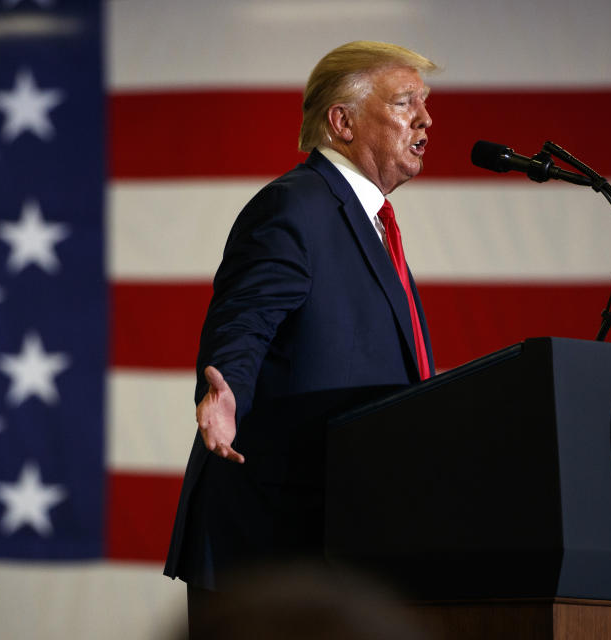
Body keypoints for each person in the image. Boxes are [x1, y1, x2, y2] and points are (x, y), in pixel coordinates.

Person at [163, 40, 438, 630]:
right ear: (341, 121)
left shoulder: (371, 227)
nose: (425, 118)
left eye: (425, 103)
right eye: (404, 103)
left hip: (340, 542)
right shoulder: (295, 207)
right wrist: (226, 388)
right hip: (273, 555)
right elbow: (245, 319)